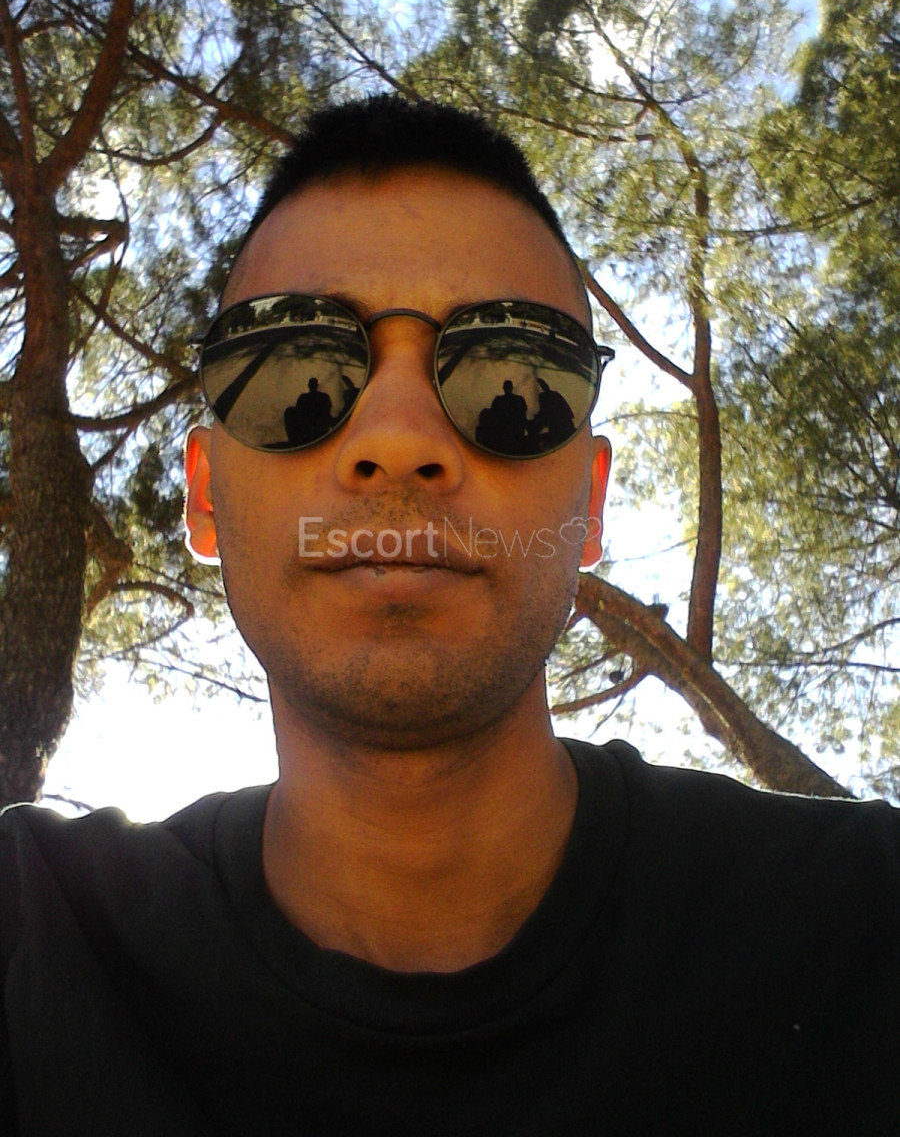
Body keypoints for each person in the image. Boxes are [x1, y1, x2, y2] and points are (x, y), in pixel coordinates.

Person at [1, 95, 898, 1137]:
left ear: (590, 504)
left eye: (512, 369)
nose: (397, 438)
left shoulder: (866, 926)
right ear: (203, 495)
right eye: (294, 365)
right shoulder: (32, 938)